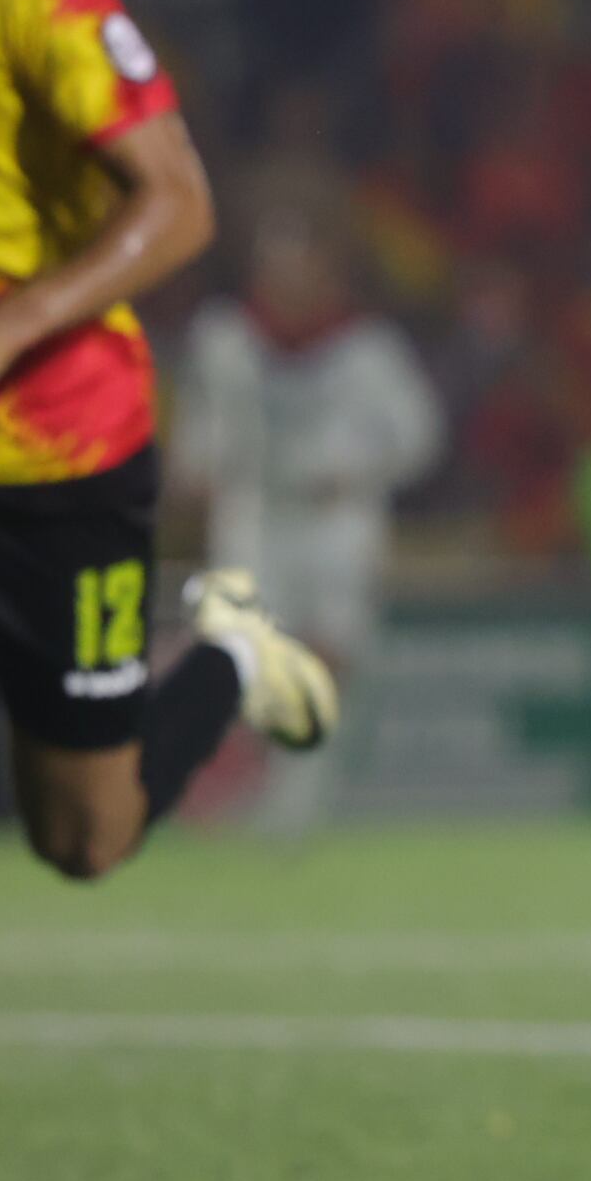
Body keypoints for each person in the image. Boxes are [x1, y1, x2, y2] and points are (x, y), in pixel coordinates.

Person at [0, 0, 338, 880]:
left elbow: (181, 205)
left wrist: (12, 327)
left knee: (83, 836)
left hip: (60, 447)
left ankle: (231, 657)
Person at [170, 204, 444, 822]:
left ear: (328, 271)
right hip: (256, 514)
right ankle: (256, 792)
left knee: (333, 654)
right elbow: (201, 429)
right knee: (248, 654)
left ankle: (306, 799)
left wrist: (361, 468)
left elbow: (420, 436)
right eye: (277, 263)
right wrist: (198, 464)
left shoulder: (367, 347)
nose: (289, 278)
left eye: (301, 263)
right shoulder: (227, 338)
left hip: (336, 520)